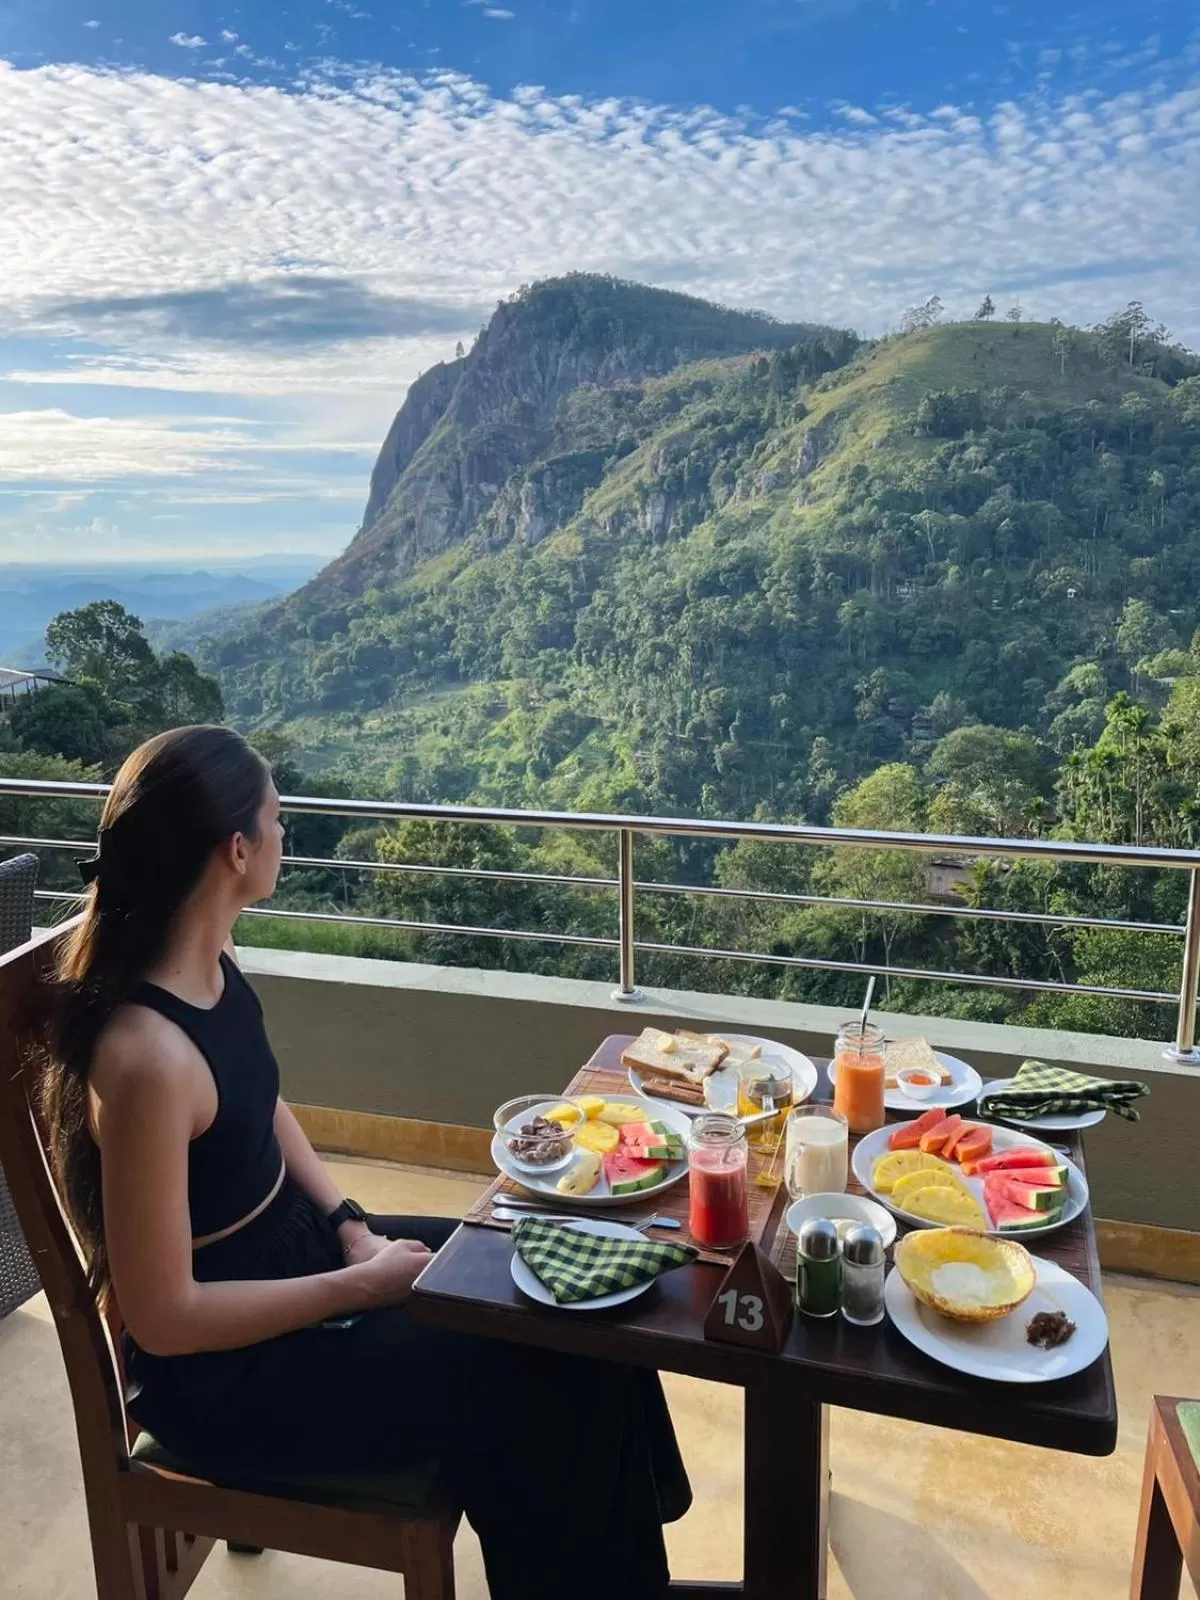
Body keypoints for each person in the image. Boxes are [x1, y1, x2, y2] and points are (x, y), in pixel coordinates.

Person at [34, 725, 690, 1600]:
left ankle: (622, 1563)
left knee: (544, 1276)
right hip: (231, 1377)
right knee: (524, 1370)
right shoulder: (144, 1055)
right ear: (236, 850)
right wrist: (356, 1288)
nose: (285, 834)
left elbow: (261, 1107)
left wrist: (349, 1227)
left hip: (294, 1257)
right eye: (276, 819)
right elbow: (164, 1319)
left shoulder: (210, 959)